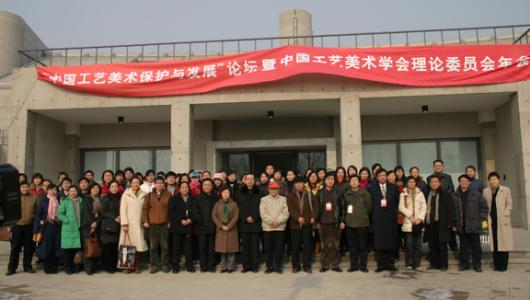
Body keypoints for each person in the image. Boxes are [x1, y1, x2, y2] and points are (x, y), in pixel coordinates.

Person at [454, 174, 488, 272]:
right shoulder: (455, 196)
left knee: (476, 247)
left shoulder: (476, 194)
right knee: (463, 247)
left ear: (469, 182)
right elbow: (453, 211)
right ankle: (464, 264)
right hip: (461, 225)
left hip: (474, 225)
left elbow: (484, 208)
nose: (463, 182)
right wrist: (454, 224)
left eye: (465, 181)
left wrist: (481, 219)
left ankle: (477, 265)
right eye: (461, 181)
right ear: (459, 183)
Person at [367, 169, 399, 272]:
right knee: (379, 242)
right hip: (378, 219)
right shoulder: (371, 188)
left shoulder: (393, 188)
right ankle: (380, 265)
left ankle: (390, 264)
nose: (383, 177)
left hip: (390, 220)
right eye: (380, 175)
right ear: (376, 177)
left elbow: (397, 203)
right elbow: (369, 205)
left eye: (384, 175)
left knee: (390, 241)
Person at [286, 177, 319, 273]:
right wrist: (297, 218)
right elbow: (290, 209)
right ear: (294, 185)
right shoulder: (290, 195)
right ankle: (295, 266)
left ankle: (307, 265)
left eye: (300, 183)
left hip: (307, 224)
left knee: (307, 246)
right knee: (295, 247)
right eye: (297, 183)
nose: (299, 184)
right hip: (295, 225)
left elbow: (316, 206)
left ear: (303, 184)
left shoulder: (309, 194)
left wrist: (314, 217)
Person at [424, 175, 456, 271]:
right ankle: (434, 264)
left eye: (435, 182)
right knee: (432, 245)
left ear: (439, 183)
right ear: (429, 184)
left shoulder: (445, 194)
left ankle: (443, 265)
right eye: (432, 182)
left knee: (442, 245)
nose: (434, 183)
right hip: (430, 223)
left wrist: (450, 223)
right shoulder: (427, 194)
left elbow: (451, 209)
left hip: (442, 223)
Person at [483, 172, 513, 272]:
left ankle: (503, 266)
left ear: (498, 179)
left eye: (494, 179)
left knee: (504, 243)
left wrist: (506, 213)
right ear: (489, 181)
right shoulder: (486, 191)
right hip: (491, 221)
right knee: (495, 244)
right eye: (491, 180)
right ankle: (496, 265)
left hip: (502, 220)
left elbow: (509, 204)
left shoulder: (506, 190)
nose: (493, 181)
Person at [6, 182, 38, 275]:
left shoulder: (34, 197)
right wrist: (9, 227)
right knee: (15, 248)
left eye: (27, 187)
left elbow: (37, 211)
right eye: (23, 187)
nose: (25, 189)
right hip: (16, 226)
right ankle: (11, 268)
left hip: (29, 226)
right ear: (19, 188)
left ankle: (27, 266)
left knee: (29, 248)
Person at [341, 175, 372, 272]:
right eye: (352, 180)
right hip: (350, 223)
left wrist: (362, 215)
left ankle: (363, 266)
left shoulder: (365, 193)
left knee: (363, 246)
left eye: (356, 180)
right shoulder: (346, 194)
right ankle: (354, 265)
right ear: (349, 183)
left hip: (362, 223)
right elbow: (344, 208)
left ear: (359, 182)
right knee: (352, 246)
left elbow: (369, 207)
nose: (354, 182)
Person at [142, 176, 172, 273]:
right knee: (153, 246)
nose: (159, 184)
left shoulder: (168, 195)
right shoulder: (149, 195)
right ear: (155, 184)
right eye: (158, 182)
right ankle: (154, 265)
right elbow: (145, 209)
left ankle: (165, 265)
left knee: (165, 246)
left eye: (161, 183)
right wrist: (145, 221)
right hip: (152, 224)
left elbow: (171, 210)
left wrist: (169, 222)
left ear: (164, 184)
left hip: (164, 224)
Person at [120, 177, 149, 274]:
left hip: (139, 223)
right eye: (134, 182)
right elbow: (123, 209)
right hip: (129, 224)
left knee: (138, 246)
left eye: (137, 182)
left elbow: (146, 210)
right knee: (128, 245)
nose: (136, 184)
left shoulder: (144, 195)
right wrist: (124, 223)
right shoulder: (126, 194)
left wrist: (145, 221)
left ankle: (137, 265)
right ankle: (129, 266)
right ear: (130, 184)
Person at [260, 181, 289, 274]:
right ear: (269, 190)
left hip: (279, 228)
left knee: (279, 248)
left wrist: (278, 221)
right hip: (268, 228)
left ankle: (278, 266)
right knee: (268, 249)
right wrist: (272, 222)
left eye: (276, 189)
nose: (274, 191)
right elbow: (263, 213)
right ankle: (269, 266)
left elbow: (286, 213)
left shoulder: (283, 199)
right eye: (272, 189)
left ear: (278, 189)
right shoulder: (264, 199)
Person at [236, 173, 263, 273]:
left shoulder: (260, 192)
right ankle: (246, 266)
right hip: (244, 223)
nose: (250, 181)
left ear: (255, 181)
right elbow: (238, 206)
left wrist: (254, 217)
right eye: (248, 179)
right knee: (245, 246)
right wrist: (246, 217)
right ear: (244, 180)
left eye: (252, 179)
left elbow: (262, 207)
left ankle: (255, 266)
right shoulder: (239, 192)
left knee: (255, 246)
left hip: (256, 223)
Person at [398, 176, 427, 270]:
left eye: (413, 182)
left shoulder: (420, 193)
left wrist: (420, 218)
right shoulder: (403, 193)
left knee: (417, 245)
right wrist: (410, 216)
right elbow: (401, 207)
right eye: (410, 182)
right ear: (407, 183)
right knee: (409, 245)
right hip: (408, 222)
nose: (412, 183)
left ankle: (417, 264)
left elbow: (424, 207)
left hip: (418, 222)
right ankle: (409, 264)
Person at [317, 172, 344, 273]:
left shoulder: (338, 192)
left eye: (332, 179)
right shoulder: (320, 192)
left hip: (335, 222)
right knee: (324, 245)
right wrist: (317, 221)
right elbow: (317, 208)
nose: (330, 181)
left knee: (335, 245)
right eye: (328, 179)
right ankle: (324, 265)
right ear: (325, 181)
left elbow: (342, 207)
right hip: (323, 222)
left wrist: (342, 221)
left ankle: (335, 265)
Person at [34, 184, 62, 274]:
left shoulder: (59, 200)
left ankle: (54, 267)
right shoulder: (43, 201)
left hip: (57, 226)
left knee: (55, 246)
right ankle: (47, 267)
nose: (53, 192)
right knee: (47, 247)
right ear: (47, 191)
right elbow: (38, 215)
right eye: (51, 190)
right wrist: (37, 227)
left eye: (55, 190)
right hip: (46, 227)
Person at [193, 179, 219, 272]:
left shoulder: (216, 198)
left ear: (212, 186)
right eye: (205, 185)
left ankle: (212, 266)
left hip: (213, 226)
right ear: (202, 186)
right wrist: (201, 221)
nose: (207, 187)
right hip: (201, 226)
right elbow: (196, 212)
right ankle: (203, 266)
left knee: (212, 247)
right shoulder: (197, 198)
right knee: (202, 247)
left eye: (209, 185)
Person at [169, 181, 195, 273]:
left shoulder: (192, 199)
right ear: (179, 189)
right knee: (176, 248)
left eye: (186, 187)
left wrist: (190, 219)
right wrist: (181, 220)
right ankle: (175, 267)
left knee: (188, 248)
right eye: (183, 187)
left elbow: (195, 212)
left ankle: (189, 266)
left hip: (189, 226)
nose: (185, 189)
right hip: (177, 226)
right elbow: (172, 212)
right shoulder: (173, 199)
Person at [212, 186, 239, 273]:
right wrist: (221, 226)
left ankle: (231, 267)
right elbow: (214, 216)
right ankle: (223, 267)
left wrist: (229, 226)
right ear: (221, 194)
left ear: (230, 194)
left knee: (231, 250)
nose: (226, 194)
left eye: (227, 192)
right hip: (221, 230)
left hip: (232, 229)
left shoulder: (234, 204)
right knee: (222, 250)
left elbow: (236, 216)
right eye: (224, 193)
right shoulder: (217, 204)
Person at [57, 185, 83, 275]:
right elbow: (59, 213)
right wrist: (66, 219)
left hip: (79, 228)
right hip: (68, 228)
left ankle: (75, 267)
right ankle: (68, 268)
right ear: (68, 192)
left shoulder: (81, 200)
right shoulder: (66, 201)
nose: (73, 192)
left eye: (74, 191)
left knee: (76, 250)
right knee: (68, 251)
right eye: (71, 191)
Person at [99, 181, 121, 273]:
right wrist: (114, 217)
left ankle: (116, 266)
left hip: (118, 224)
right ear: (109, 188)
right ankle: (108, 267)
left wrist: (120, 217)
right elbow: (103, 212)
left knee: (116, 246)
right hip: (108, 224)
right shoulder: (105, 198)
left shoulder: (121, 197)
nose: (115, 188)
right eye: (112, 186)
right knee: (108, 246)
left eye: (116, 186)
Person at [81, 182, 100, 275]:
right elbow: (86, 213)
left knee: (95, 246)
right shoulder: (86, 199)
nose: (95, 190)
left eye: (97, 188)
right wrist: (92, 223)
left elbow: (101, 213)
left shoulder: (99, 199)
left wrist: (96, 222)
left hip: (97, 225)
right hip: (87, 226)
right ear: (90, 190)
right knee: (88, 247)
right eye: (93, 188)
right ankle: (88, 268)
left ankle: (94, 267)